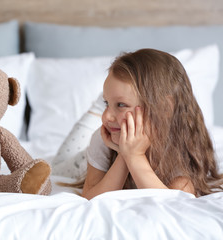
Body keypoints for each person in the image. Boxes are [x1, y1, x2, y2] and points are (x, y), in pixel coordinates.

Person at [64, 48, 223, 200]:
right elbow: (90, 198)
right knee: (57, 165)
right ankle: (111, 99)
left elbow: (172, 204)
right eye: (107, 104)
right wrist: (123, 154)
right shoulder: (103, 138)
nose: (106, 116)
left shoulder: (181, 147)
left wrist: (134, 155)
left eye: (121, 105)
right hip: (72, 164)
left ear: (164, 108)